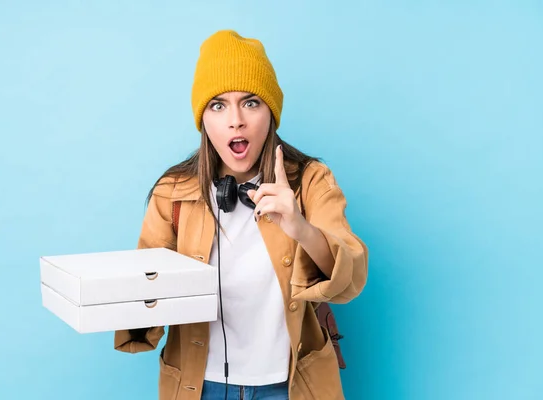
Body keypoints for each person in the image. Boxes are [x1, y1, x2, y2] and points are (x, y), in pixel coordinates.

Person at [114, 29, 368, 400]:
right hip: (200, 385)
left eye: (250, 102)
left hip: (291, 384)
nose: (236, 120)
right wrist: (114, 299)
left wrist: (299, 227)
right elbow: (143, 299)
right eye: (218, 105)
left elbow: (352, 278)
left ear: (271, 112)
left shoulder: (311, 180)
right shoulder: (173, 192)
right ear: (204, 119)